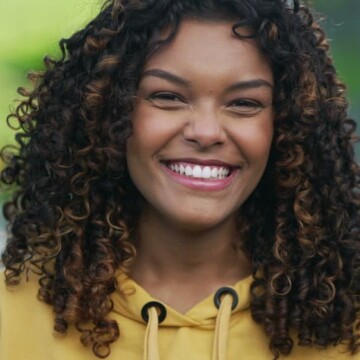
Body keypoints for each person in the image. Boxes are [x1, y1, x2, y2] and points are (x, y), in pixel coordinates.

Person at [0, 0, 359, 359]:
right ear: (108, 112)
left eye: (244, 103)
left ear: (288, 126)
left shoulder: (347, 323)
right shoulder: (10, 314)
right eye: (168, 97)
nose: (205, 132)